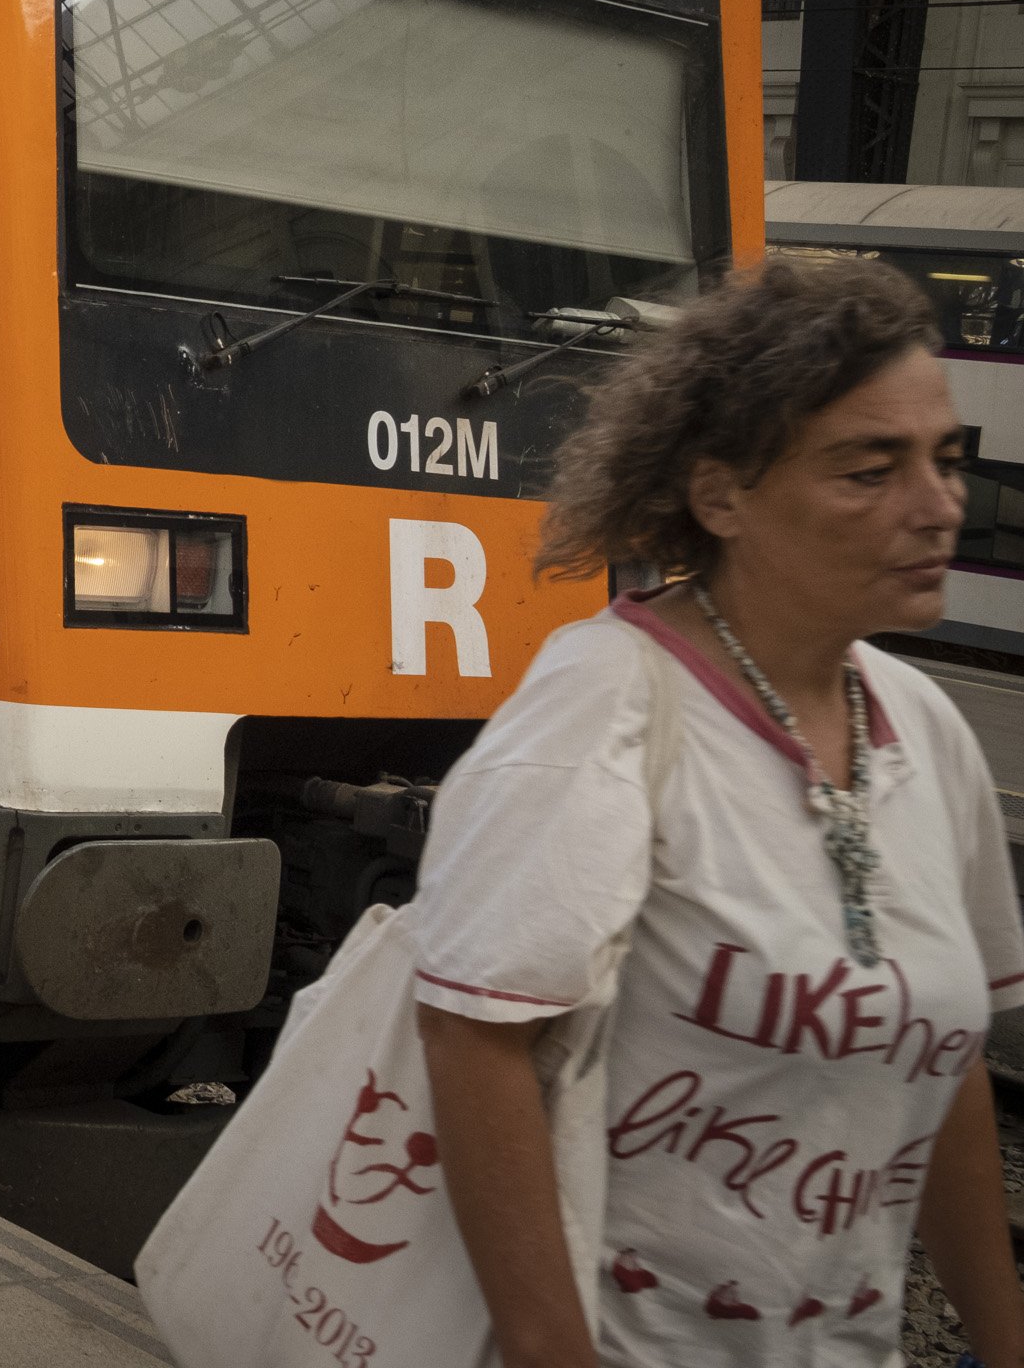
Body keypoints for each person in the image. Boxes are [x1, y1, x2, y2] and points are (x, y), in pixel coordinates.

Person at [411, 253, 1024, 1367]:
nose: (941, 505)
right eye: (869, 469)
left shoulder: (924, 728)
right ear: (721, 494)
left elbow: (954, 1067)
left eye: (946, 458)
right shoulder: (604, 710)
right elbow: (471, 1039)